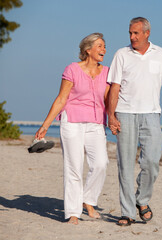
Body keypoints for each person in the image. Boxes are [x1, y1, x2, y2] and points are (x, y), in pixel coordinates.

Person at [107, 17, 162, 226]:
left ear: (147, 33)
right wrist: (111, 115)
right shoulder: (121, 54)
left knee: (151, 162)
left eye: (136, 33)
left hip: (151, 114)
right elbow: (114, 87)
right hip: (125, 114)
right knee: (125, 165)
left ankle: (142, 200)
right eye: (130, 33)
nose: (132, 37)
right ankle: (127, 212)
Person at [35, 33, 110, 225]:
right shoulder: (72, 70)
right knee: (74, 166)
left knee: (101, 163)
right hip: (72, 121)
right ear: (88, 50)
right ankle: (73, 212)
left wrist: (114, 120)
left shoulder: (108, 72)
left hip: (96, 122)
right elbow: (61, 99)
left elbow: (109, 101)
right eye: (100, 46)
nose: (104, 50)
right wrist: (45, 125)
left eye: (104, 46)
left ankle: (88, 200)